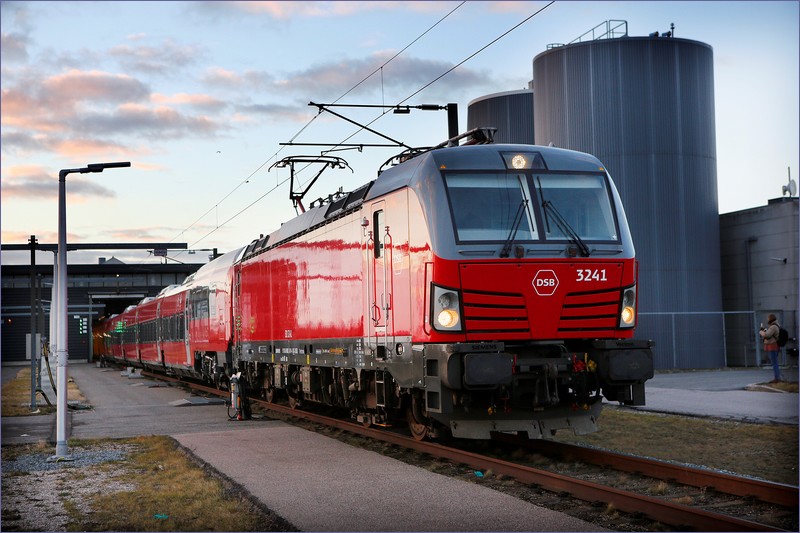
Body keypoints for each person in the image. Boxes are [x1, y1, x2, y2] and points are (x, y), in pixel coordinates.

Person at [759, 314, 783, 383]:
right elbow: (769, 334)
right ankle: (777, 377)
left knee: (774, 363)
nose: (767, 320)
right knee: (774, 362)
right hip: (774, 346)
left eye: (768, 318)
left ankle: (777, 378)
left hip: (772, 346)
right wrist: (765, 330)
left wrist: (761, 332)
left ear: (770, 319)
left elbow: (767, 335)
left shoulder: (773, 327)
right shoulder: (775, 326)